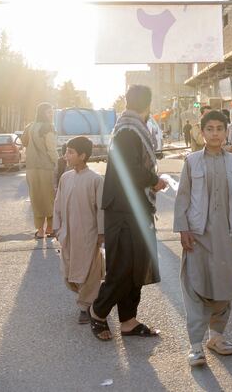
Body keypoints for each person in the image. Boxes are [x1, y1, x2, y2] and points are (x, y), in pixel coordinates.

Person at [174, 110, 232, 366]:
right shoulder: (192, 161)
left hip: (226, 235)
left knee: (223, 288)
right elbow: (183, 197)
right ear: (202, 132)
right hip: (197, 235)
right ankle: (195, 345)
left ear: (226, 131)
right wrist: (183, 229)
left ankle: (216, 337)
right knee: (195, 287)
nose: (215, 133)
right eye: (210, 129)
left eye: (220, 128)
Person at [89, 85, 167, 341]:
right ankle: (98, 312)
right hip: (123, 208)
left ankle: (128, 321)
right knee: (122, 266)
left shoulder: (132, 127)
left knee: (137, 265)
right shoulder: (128, 130)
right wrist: (154, 180)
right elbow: (130, 168)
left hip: (135, 207)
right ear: (148, 105)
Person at [53, 136, 105, 325]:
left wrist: (100, 233)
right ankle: (91, 298)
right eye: (66, 151)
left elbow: (101, 209)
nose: (66, 156)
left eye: (70, 152)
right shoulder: (65, 178)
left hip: (88, 236)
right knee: (69, 273)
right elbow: (57, 204)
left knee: (89, 273)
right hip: (67, 235)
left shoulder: (95, 180)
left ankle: (85, 306)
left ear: (82, 156)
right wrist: (57, 228)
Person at [23, 103, 59, 239]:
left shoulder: (29, 127)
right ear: (42, 113)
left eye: (52, 112)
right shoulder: (48, 128)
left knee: (36, 198)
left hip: (31, 167)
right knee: (50, 198)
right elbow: (51, 148)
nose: (51, 115)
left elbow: (24, 143)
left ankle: (40, 231)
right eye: (48, 112)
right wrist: (58, 162)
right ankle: (50, 228)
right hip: (46, 167)